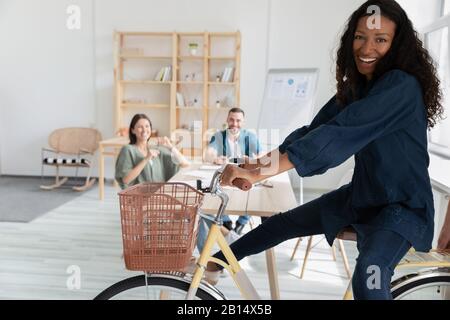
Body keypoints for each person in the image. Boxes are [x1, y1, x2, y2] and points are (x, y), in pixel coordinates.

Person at [206, 0, 444, 300]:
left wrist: (255, 174)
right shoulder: (359, 87)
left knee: (371, 269)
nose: (366, 47)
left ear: (398, 46)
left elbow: (335, 136)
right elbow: (312, 133)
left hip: (402, 207)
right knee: (282, 223)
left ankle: (216, 263)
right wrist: (254, 165)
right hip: (363, 196)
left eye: (380, 39)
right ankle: (215, 263)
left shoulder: (401, 87)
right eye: (360, 37)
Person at [204, 107, 262, 234]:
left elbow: (260, 156)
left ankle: (242, 222)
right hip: (226, 176)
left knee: (253, 190)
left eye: (238, 121)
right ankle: (226, 221)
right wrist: (215, 158)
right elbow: (208, 154)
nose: (234, 124)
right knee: (216, 190)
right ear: (227, 120)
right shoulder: (219, 136)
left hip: (244, 175)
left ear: (243, 122)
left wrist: (250, 161)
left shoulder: (250, 136)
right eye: (231, 120)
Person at [115, 114, 190, 189]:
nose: (144, 130)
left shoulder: (156, 150)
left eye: (147, 126)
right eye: (140, 127)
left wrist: (170, 147)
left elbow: (185, 163)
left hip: (159, 196)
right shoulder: (128, 150)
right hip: (139, 198)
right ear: (133, 130)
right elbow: (126, 180)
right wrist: (146, 159)